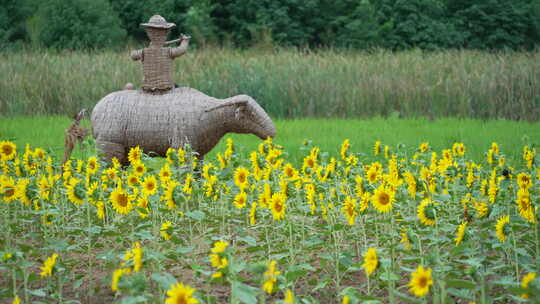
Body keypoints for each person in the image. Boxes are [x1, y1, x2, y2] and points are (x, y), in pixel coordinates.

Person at [131, 15, 190, 93]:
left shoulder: (144, 52)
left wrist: (149, 48)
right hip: (165, 87)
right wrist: (185, 41)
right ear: (166, 33)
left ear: (148, 33)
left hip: (148, 87)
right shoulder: (168, 51)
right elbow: (181, 50)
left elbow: (133, 55)